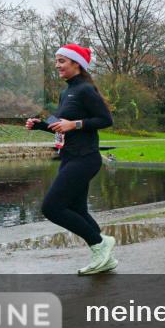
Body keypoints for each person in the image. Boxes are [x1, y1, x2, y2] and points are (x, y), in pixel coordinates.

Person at [26, 44, 116, 275]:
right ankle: (104, 255)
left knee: (52, 207)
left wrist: (74, 124)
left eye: (62, 61)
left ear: (77, 63)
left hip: (84, 158)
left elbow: (105, 120)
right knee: (78, 210)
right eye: (56, 61)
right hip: (69, 157)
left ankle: (100, 245)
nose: (57, 65)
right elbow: (64, 128)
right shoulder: (67, 92)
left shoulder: (85, 89)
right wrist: (42, 126)